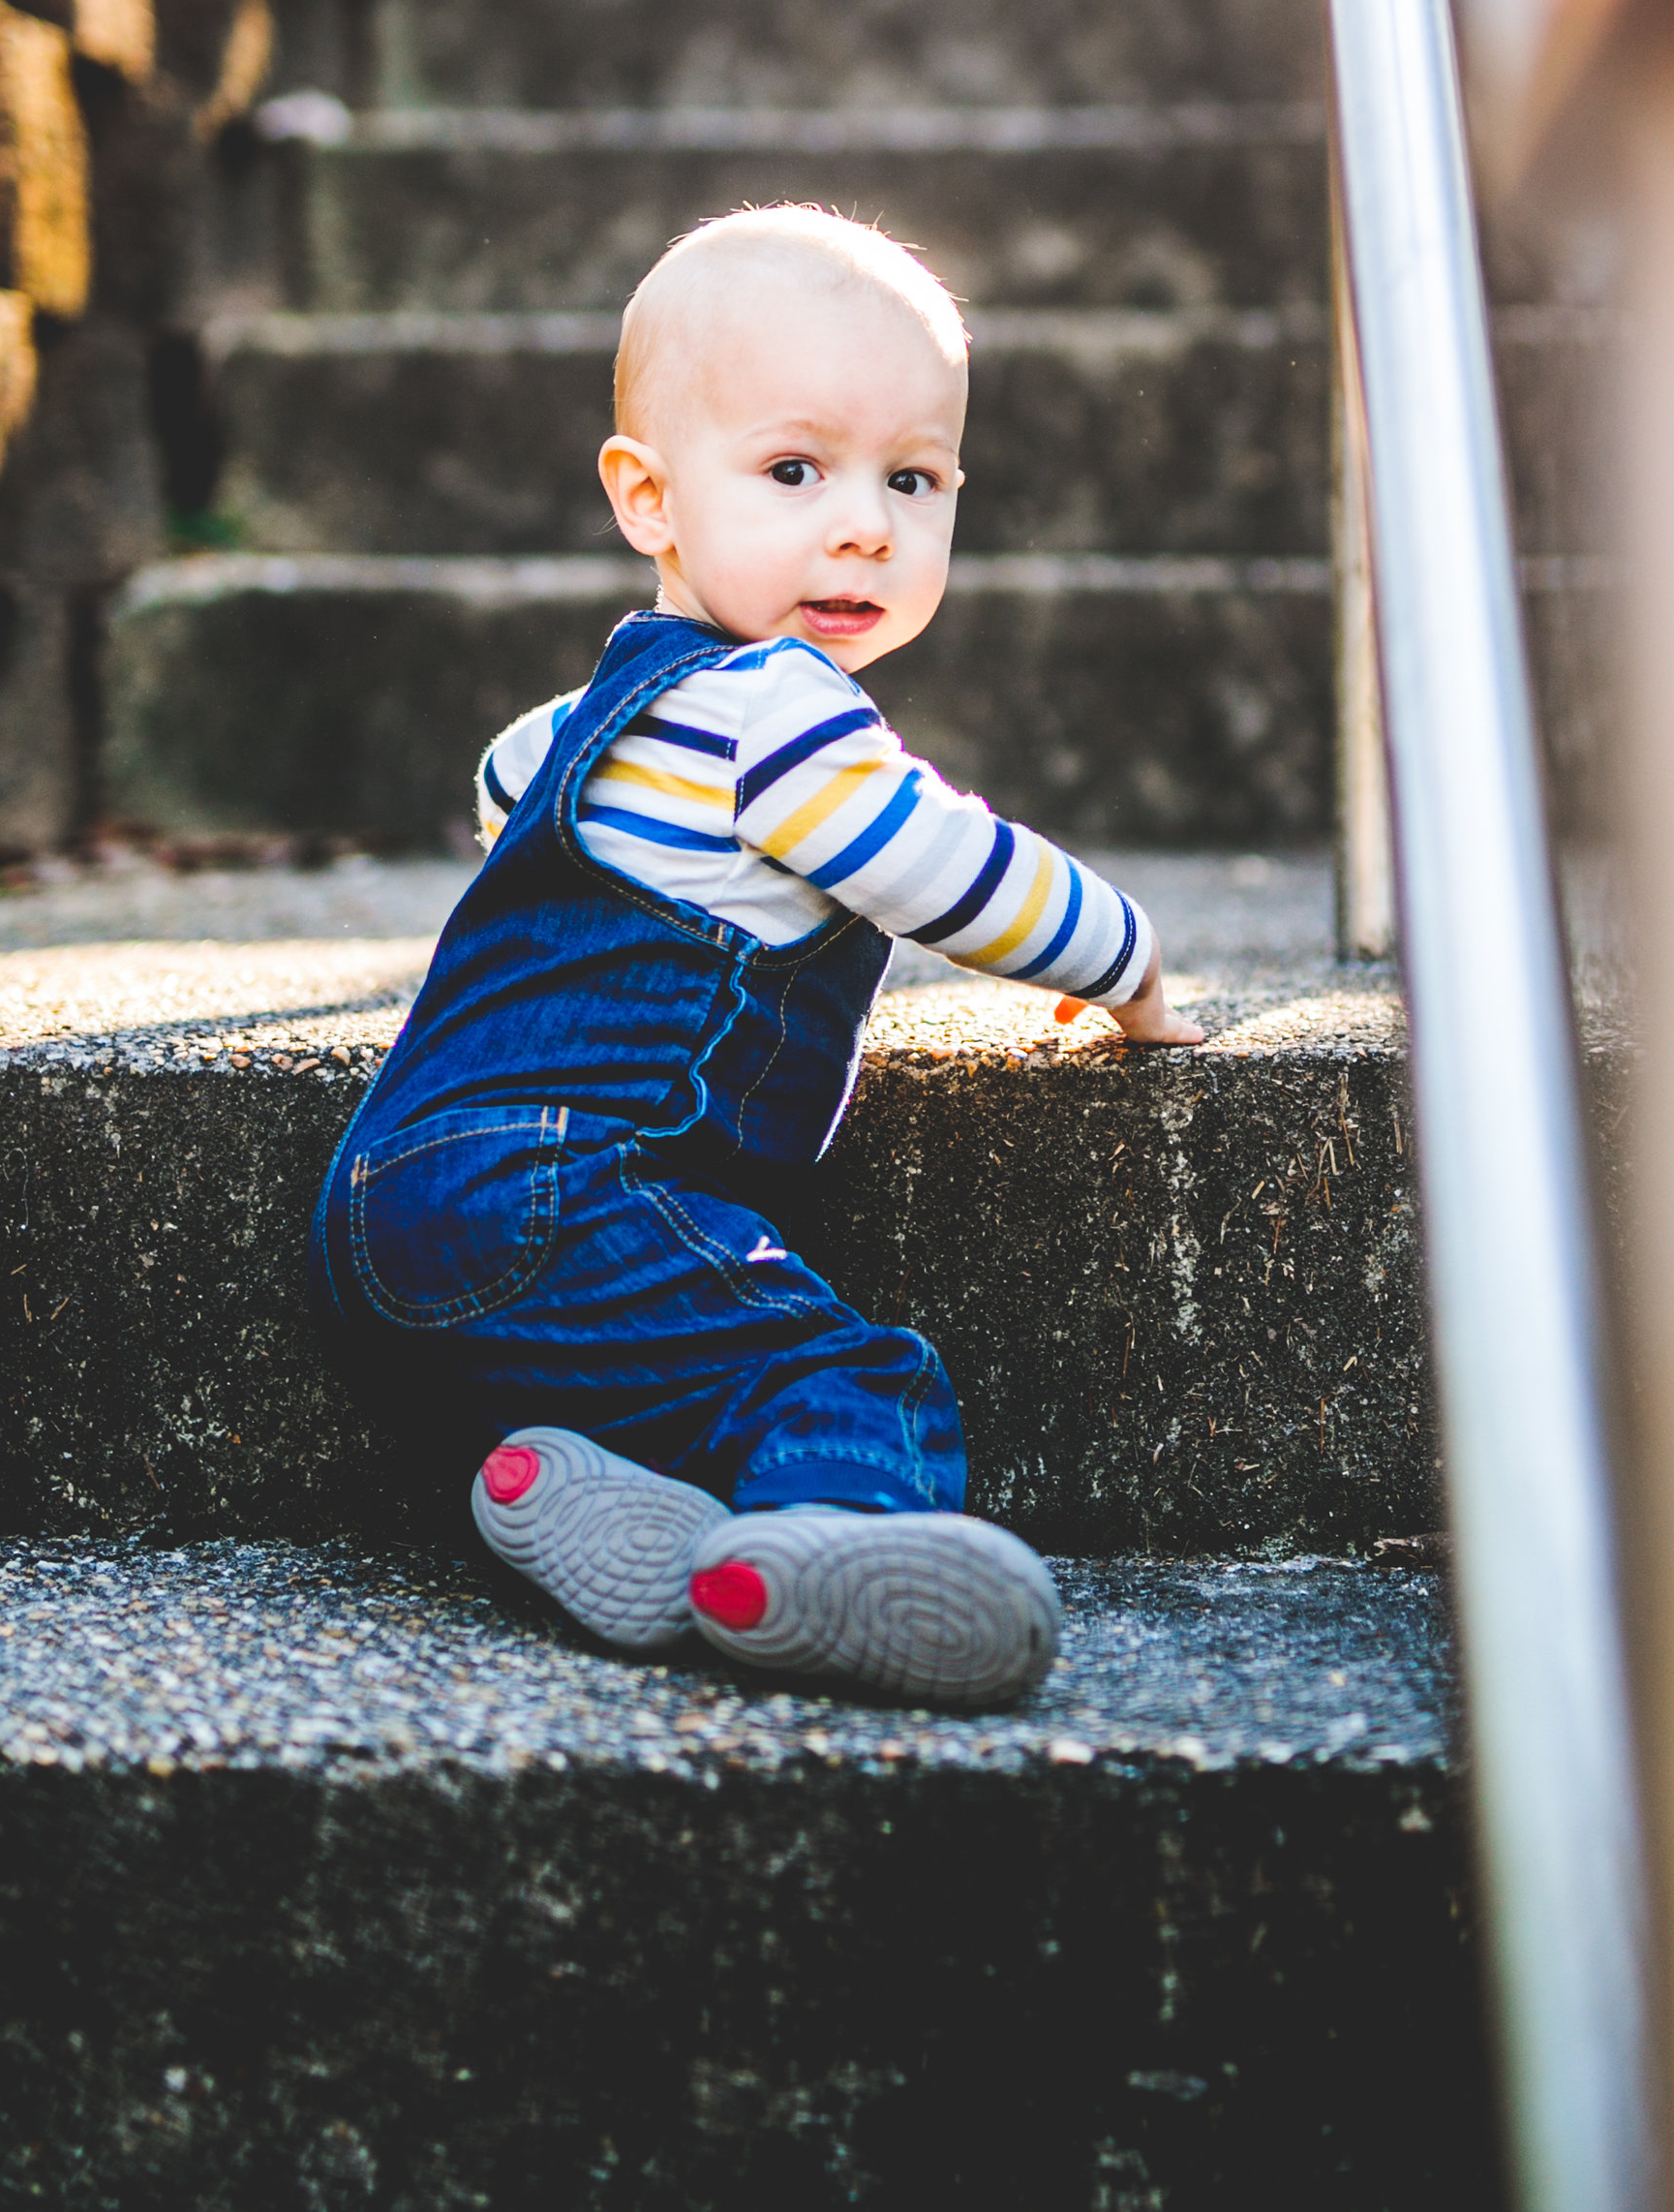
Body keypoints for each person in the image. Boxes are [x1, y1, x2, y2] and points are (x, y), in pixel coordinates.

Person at [307, 203, 1197, 1711]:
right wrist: (1131, 963)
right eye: (796, 471)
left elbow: (502, 785)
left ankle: (607, 1511)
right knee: (847, 1376)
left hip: (380, 1210)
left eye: (913, 479)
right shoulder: (783, 715)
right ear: (649, 499)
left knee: (654, 1354)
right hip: (562, 1194)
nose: (865, 524)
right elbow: (945, 865)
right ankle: (836, 1541)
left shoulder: (582, 720)